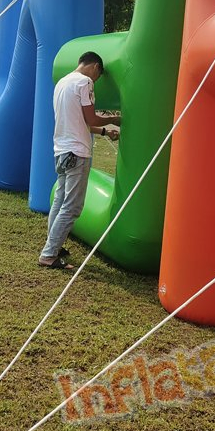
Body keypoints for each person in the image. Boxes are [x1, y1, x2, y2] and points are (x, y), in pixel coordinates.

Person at [39, 52, 120, 270]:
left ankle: (54, 246)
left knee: (60, 201)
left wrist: (105, 131)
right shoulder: (85, 82)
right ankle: (48, 254)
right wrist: (115, 119)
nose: (96, 80)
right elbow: (90, 118)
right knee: (72, 207)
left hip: (61, 150)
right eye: (98, 76)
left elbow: (79, 121)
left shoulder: (62, 83)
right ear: (95, 67)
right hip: (77, 153)